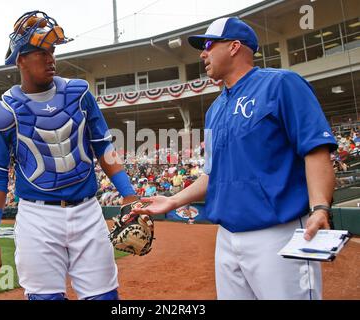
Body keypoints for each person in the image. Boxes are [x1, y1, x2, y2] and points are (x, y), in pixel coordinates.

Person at [133, 17, 337, 300]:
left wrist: (320, 207)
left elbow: (315, 149)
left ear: (234, 47)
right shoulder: (215, 109)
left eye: (208, 45)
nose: (202, 54)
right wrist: (173, 200)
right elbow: (212, 174)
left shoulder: (281, 84)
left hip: (279, 233)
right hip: (227, 238)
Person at [0, 11, 138, 300]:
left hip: (88, 210)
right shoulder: (3, 112)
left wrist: (128, 193)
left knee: (105, 296)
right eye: (41, 52)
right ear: (20, 59)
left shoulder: (79, 93)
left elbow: (103, 147)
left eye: (52, 51)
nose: (51, 59)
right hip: (37, 217)